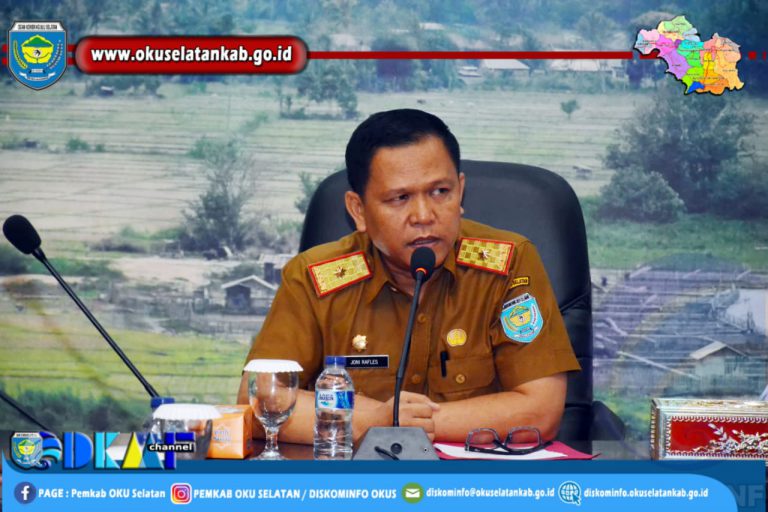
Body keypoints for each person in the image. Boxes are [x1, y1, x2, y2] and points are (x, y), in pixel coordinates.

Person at [237, 108, 581, 444]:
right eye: (400, 198)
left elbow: (540, 410)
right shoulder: (314, 277)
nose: (424, 215)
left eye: (440, 192)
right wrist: (368, 420)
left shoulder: (508, 263)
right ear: (358, 210)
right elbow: (258, 401)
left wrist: (400, 424)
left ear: (460, 191)